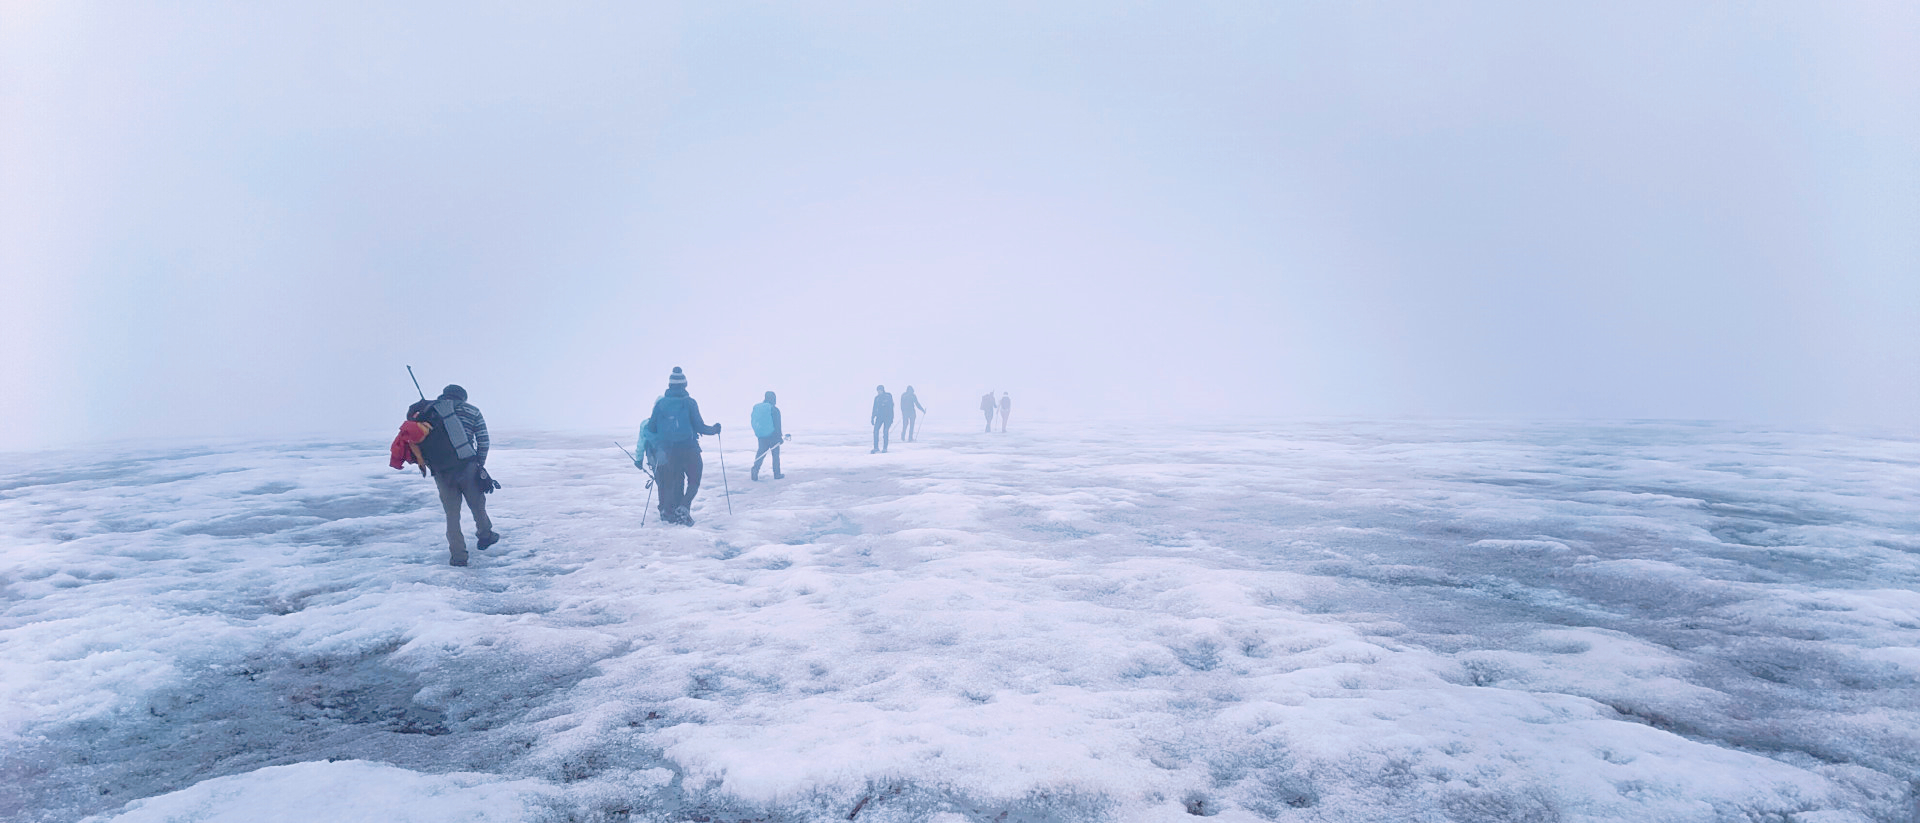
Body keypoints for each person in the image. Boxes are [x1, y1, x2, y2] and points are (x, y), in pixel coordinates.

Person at [411, 384, 497, 566]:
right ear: (463, 397)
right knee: (477, 504)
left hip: (441, 470)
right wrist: (479, 464)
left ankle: (458, 556)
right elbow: (483, 440)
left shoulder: (429, 410)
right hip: (468, 466)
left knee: (452, 514)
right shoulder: (471, 410)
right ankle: (485, 535)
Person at [644, 367, 721, 525]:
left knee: (676, 481)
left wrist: (658, 446)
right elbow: (700, 427)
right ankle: (684, 507)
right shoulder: (689, 403)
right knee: (694, 479)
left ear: (670, 385)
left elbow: (650, 429)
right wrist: (715, 429)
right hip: (689, 449)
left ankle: (674, 513)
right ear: (685, 384)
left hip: (669, 451)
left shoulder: (660, 404)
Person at [750, 391, 784, 481]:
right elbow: (777, 425)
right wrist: (779, 437)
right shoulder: (774, 410)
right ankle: (777, 474)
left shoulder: (758, 408)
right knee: (775, 455)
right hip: (773, 436)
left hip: (762, 436)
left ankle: (755, 469)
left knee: (761, 453)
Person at [871, 385, 894, 454]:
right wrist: (872, 417)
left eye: (880, 390)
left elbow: (891, 407)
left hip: (887, 417)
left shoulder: (888, 396)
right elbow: (874, 408)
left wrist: (892, 417)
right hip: (879, 417)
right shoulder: (877, 398)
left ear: (883, 390)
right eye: (878, 390)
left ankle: (885, 448)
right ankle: (876, 447)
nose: (879, 391)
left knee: (885, 432)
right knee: (875, 431)